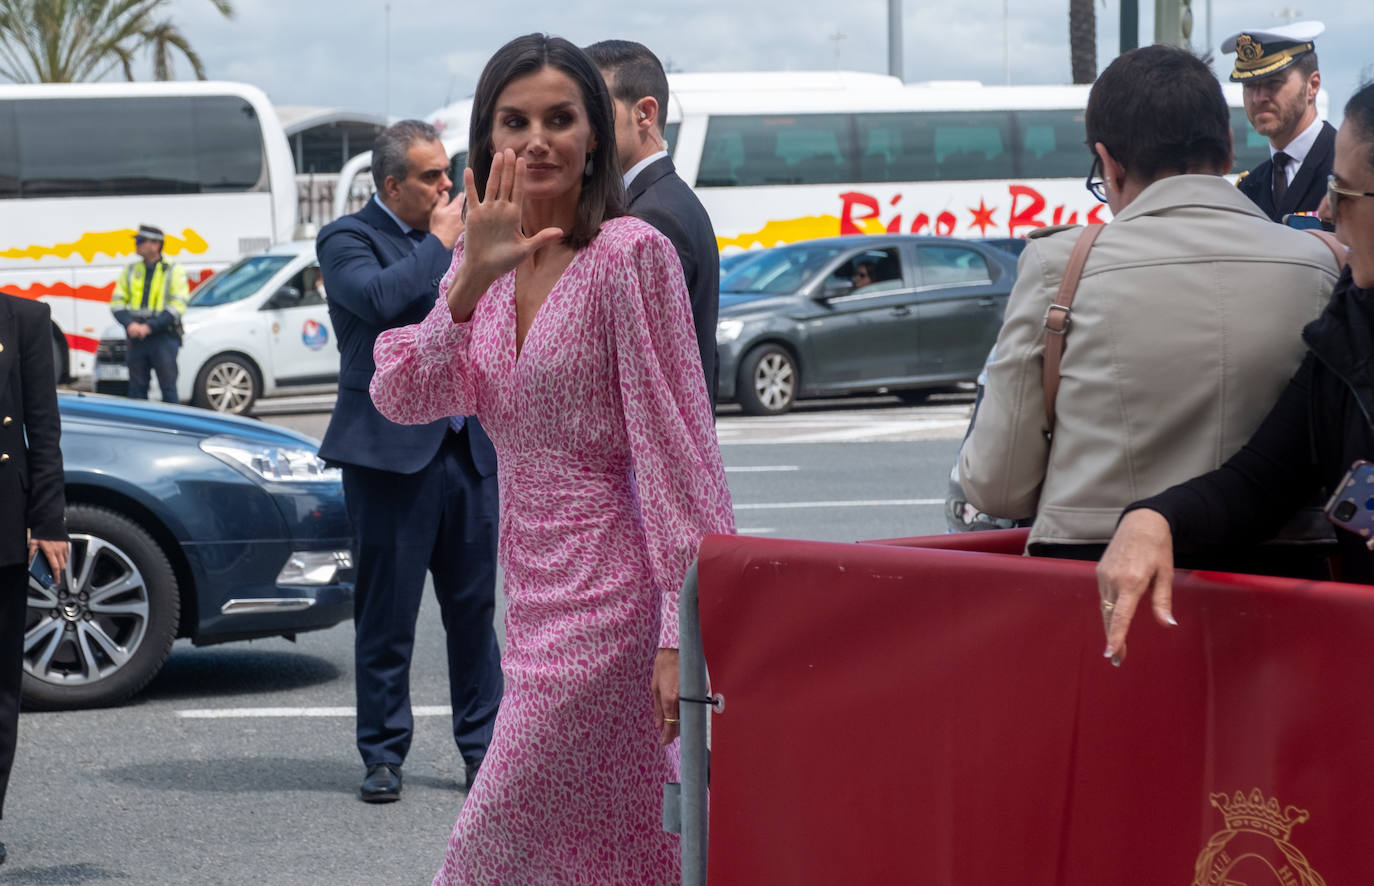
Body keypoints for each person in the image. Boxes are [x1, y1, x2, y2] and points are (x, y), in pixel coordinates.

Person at [368, 34, 734, 883]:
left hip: (615, 599)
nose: (537, 139)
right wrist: (462, 289)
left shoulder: (630, 256)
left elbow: (677, 447)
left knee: (487, 844)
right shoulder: (480, 259)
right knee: (623, 836)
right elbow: (400, 396)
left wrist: (687, 631)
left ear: (595, 136)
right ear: (486, 138)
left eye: (560, 118)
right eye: (515, 120)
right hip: (529, 592)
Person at [958, 45, 1340, 563]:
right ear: (1228, 149)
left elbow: (996, 486)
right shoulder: (1319, 265)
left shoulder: (1059, 266)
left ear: (1110, 163)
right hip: (1284, 582)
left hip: (1095, 581)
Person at [1097, 81, 1374, 664]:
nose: (1325, 211)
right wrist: (1155, 517)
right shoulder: (1351, 324)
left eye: (1341, 191)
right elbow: (1264, 478)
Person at [315, 121, 503, 803]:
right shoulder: (347, 239)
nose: (449, 186)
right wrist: (444, 242)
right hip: (388, 458)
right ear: (393, 185)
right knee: (387, 617)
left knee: (475, 616)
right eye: (432, 177)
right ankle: (383, 753)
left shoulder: (464, 235)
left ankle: (484, 751)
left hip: (467, 449)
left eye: (448, 174)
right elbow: (380, 300)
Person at [584, 39, 721, 407]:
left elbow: (645, 375)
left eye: (595, 110)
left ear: (644, 113)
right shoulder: (665, 199)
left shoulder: (653, 218)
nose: (584, 131)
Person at [0, 291, 69, 866]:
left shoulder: (23, 318)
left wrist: (48, 520)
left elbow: (43, 428)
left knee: (1, 691)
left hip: (3, 523)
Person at [1223, 21, 1335, 222]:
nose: (1259, 97)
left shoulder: (1348, 169)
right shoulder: (1250, 187)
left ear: (1313, 85)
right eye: (1249, 85)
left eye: (1273, 83)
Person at [109, 225, 189, 403]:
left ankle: (172, 428)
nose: (136, 244)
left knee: (168, 390)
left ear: (156, 245)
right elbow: (116, 302)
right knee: (137, 391)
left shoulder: (173, 270)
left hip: (163, 337)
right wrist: (130, 324)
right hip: (137, 338)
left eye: (140, 241)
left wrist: (149, 327)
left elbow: (177, 305)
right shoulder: (130, 270)